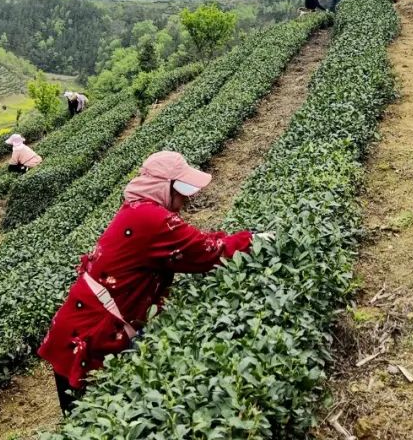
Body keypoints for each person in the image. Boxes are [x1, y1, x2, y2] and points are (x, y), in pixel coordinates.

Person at [38, 151, 253, 416]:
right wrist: (251, 240)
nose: (186, 199)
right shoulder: (151, 219)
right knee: (92, 417)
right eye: (181, 190)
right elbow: (205, 252)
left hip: (82, 327)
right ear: (164, 187)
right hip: (89, 335)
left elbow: (191, 243)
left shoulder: (140, 211)